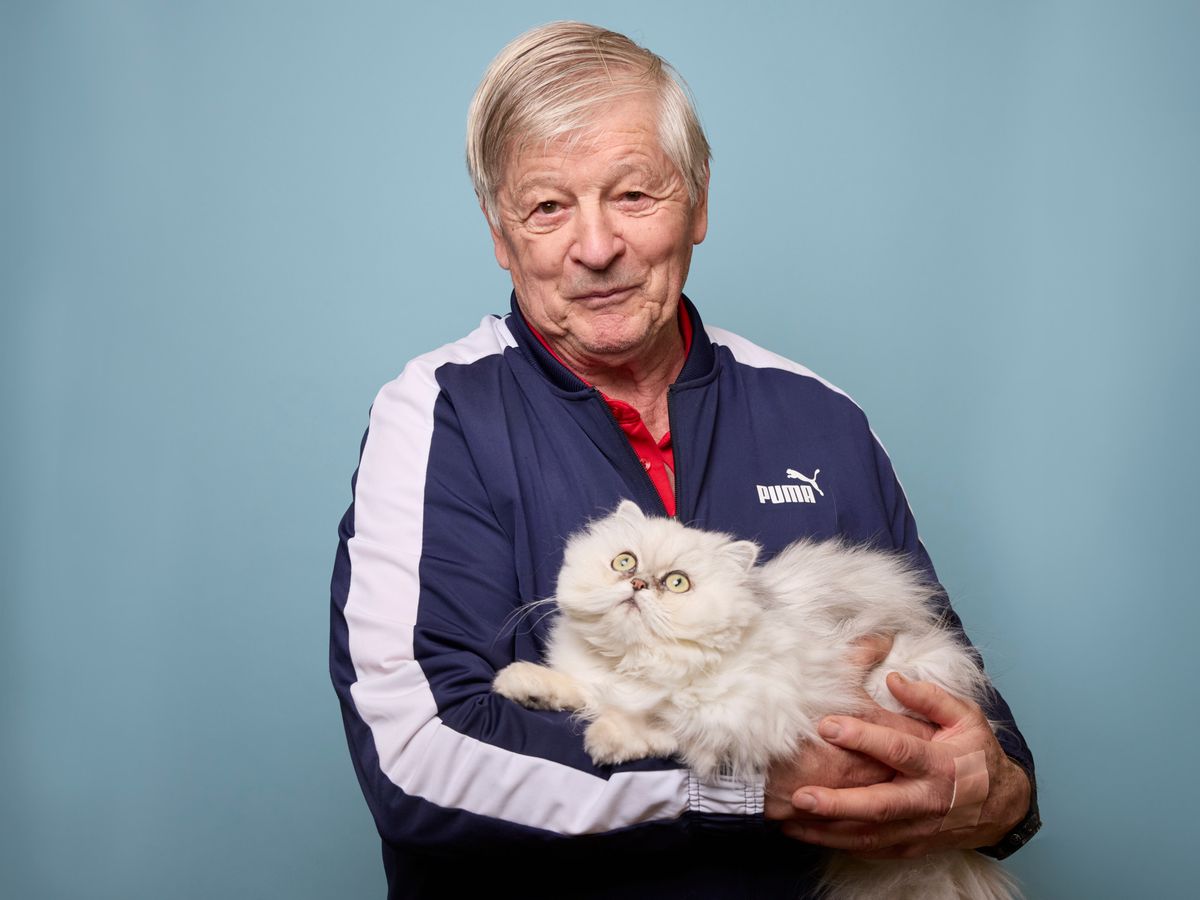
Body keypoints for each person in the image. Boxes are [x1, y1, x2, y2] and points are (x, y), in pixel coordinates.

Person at [330, 21, 1039, 899]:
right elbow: (418, 759)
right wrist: (734, 784)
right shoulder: (438, 415)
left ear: (698, 202)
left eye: (633, 194)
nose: (595, 248)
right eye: (548, 208)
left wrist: (997, 788)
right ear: (501, 235)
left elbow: (972, 714)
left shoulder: (822, 419)